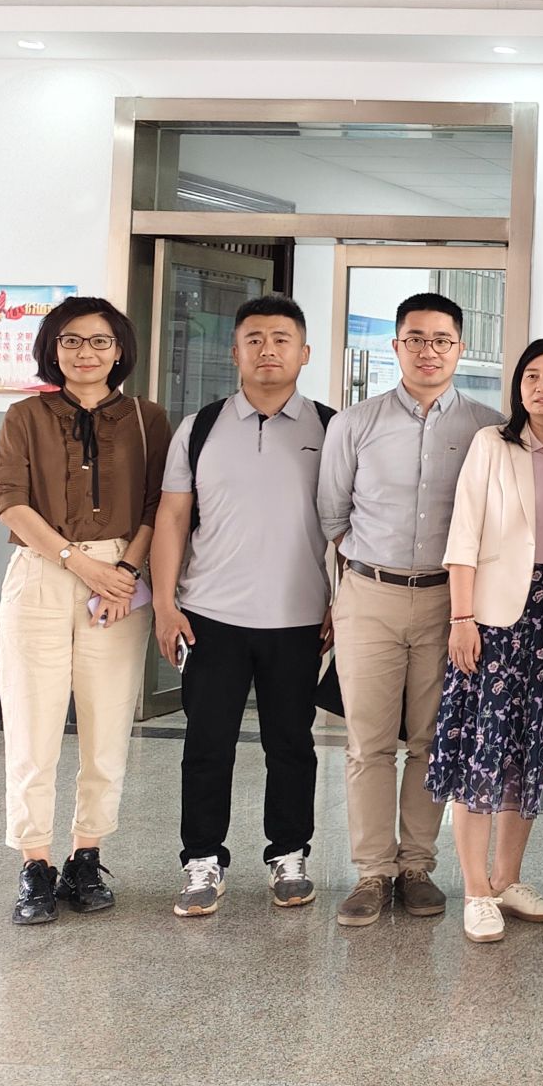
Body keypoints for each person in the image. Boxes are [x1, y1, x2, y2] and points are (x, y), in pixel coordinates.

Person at [318, 292, 504, 927]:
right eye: (416, 339)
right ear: (396, 346)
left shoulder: (486, 428)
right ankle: (372, 871)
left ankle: (417, 866)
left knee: (431, 739)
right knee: (367, 742)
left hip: (449, 603)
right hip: (369, 594)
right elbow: (332, 515)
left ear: (460, 348)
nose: (429, 351)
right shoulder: (355, 423)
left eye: (442, 340)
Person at [0, 296, 171, 924]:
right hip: (41, 572)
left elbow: (159, 504)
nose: (85, 352)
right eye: (70, 340)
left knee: (107, 725)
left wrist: (124, 572)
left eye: (99, 341)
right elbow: (9, 500)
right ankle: (35, 864)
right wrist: (78, 562)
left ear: (119, 350)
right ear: (53, 349)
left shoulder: (148, 418)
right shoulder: (24, 415)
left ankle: (86, 855)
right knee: (31, 726)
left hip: (119, 578)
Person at [151, 294, 331, 917]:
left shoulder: (331, 428)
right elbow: (172, 518)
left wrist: (341, 603)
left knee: (292, 743)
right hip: (211, 617)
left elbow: (347, 525)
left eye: (282, 339)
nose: (267, 350)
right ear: (234, 352)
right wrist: (165, 605)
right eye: (254, 339)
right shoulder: (199, 427)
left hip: (299, 618)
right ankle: (202, 859)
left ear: (304, 353)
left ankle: (289, 853)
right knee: (207, 743)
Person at [428, 338, 543, 943]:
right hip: (493, 617)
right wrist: (461, 618)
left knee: (530, 749)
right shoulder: (492, 443)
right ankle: (474, 890)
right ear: (518, 386)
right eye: (532, 376)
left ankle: (506, 879)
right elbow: (463, 534)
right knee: (482, 749)